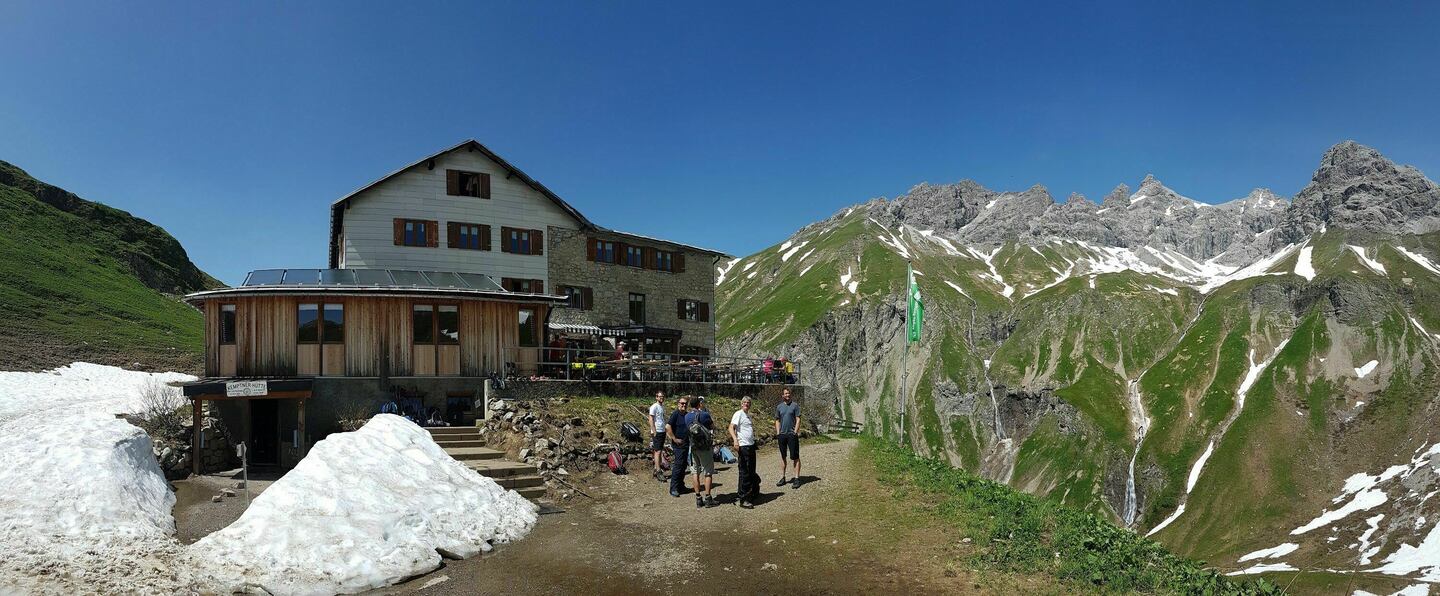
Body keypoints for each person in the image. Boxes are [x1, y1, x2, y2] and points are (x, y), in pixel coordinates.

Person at [686, 396, 717, 508]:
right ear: (699, 404)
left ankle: (698, 498)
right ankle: (708, 498)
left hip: (693, 447)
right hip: (704, 447)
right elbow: (712, 426)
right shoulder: (704, 415)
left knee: (695, 472)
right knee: (708, 472)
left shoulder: (687, 417)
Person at [729, 396, 757, 508]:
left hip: (750, 446)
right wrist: (735, 440)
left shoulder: (748, 416)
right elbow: (731, 427)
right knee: (744, 472)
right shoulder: (738, 414)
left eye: (748, 402)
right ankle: (743, 498)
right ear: (741, 404)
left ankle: (748, 493)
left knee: (751, 471)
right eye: (744, 402)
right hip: (743, 446)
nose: (746, 404)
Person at [775, 387, 802, 488]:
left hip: (792, 434)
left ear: (791, 394)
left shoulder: (795, 406)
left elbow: (798, 419)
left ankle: (796, 478)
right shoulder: (779, 407)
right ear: (782, 395)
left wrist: (795, 432)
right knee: (783, 456)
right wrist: (778, 432)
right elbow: (777, 420)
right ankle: (782, 477)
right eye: (785, 393)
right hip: (782, 435)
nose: (787, 395)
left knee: (795, 456)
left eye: (788, 393)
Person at [665, 395, 691, 497]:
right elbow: (667, 427)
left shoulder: (687, 415)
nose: (683, 405)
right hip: (678, 445)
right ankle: (673, 488)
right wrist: (674, 438)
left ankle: (681, 485)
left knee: (683, 466)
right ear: (678, 404)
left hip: (686, 444)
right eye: (682, 403)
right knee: (678, 466)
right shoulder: (675, 414)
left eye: (685, 404)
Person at [647, 391, 667, 481]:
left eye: (662, 396)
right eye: (660, 396)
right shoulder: (654, 406)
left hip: (662, 430)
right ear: (656, 397)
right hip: (657, 431)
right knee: (658, 451)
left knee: (659, 450)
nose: (661, 398)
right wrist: (654, 430)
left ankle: (656, 469)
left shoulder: (662, 407)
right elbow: (651, 418)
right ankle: (658, 471)